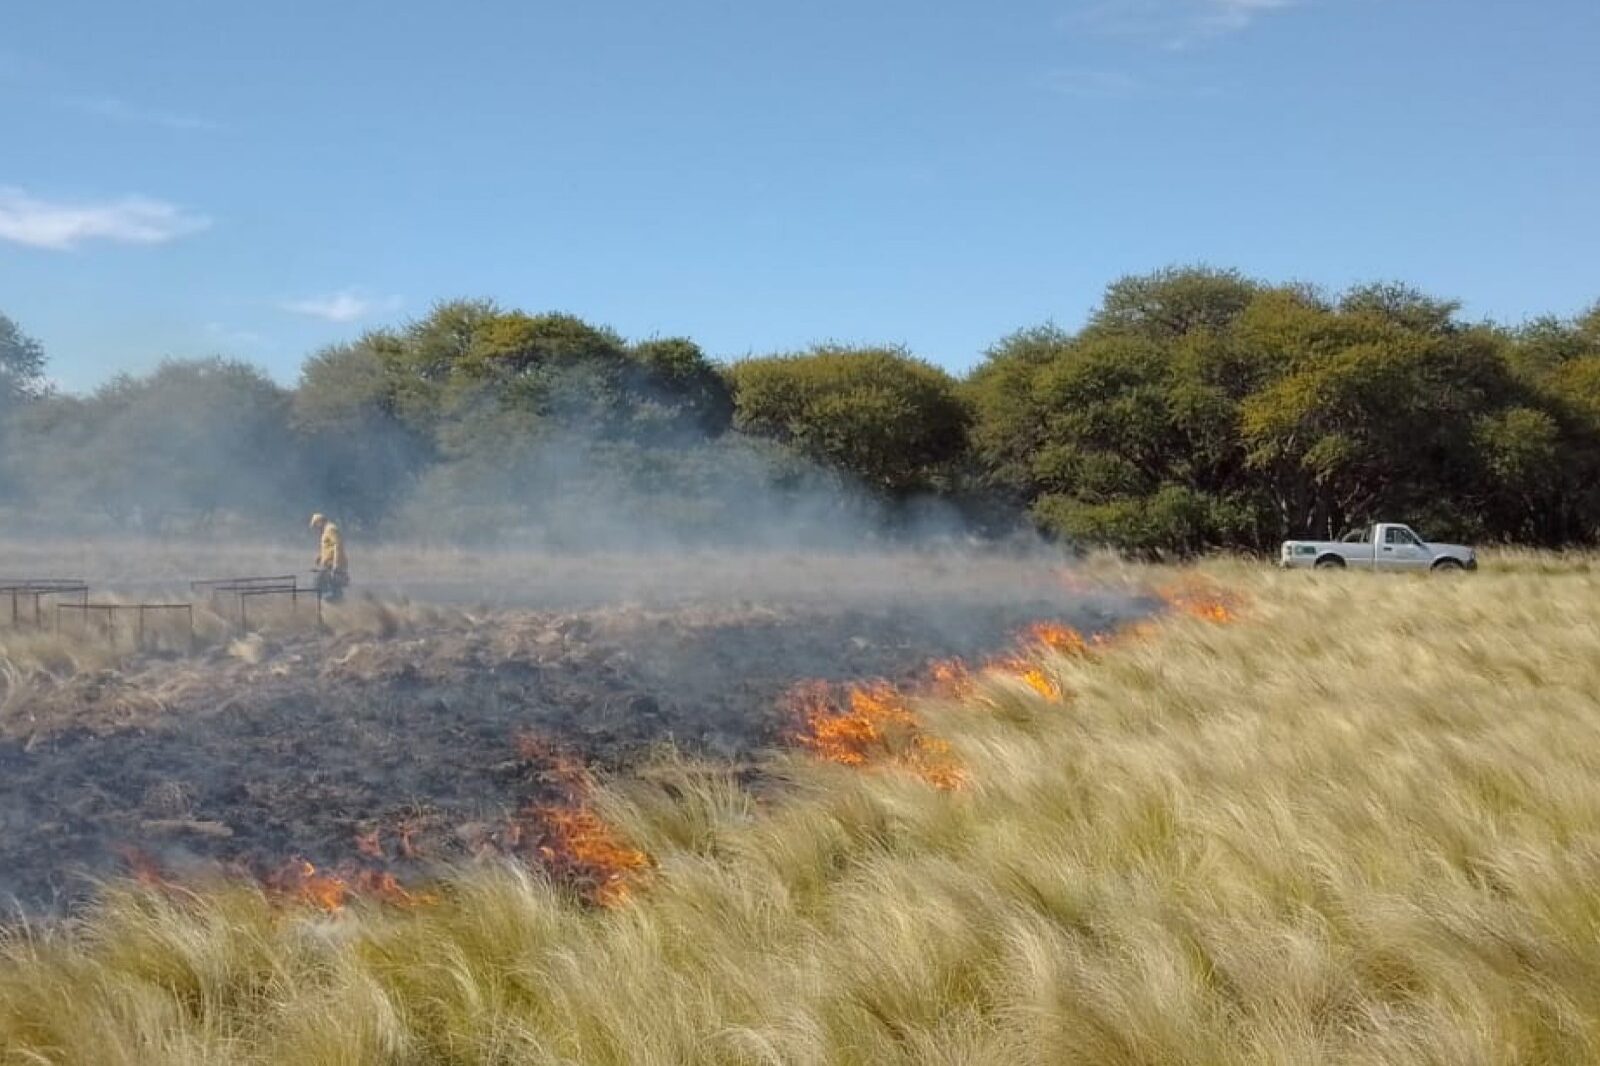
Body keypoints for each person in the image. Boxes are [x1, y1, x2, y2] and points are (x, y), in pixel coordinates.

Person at [308, 513, 349, 602]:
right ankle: (335, 604)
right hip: (328, 564)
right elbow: (328, 546)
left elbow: (338, 545)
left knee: (319, 585)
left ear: (320, 522)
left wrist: (336, 564)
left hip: (333, 564)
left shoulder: (331, 529)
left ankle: (323, 604)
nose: (316, 529)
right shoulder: (326, 530)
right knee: (333, 587)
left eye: (316, 526)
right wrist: (320, 556)